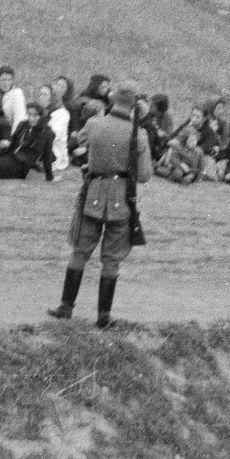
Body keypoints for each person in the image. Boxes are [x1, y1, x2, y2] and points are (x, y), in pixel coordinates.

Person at [49, 85, 152, 328]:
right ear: (135, 106)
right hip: (121, 197)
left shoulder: (96, 123)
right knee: (112, 260)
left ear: (113, 100)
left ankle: (65, 307)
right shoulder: (139, 135)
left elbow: (80, 139)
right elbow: (145, 175)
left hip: (93, 191)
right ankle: (103, 316)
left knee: (80, 252)